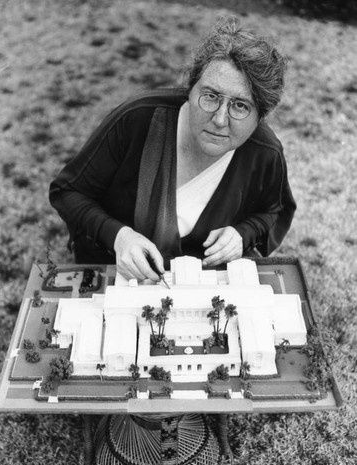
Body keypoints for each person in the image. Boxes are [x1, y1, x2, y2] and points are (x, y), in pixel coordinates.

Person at [49, 16, 296, 281]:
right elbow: (68, 191)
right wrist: (119, 236)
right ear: (190, 90)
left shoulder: (264, 152)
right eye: (211, 96)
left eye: (240, 105)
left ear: (261, 114)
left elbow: (274, 209)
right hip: (116, 272)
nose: (220, 119)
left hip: (201, 283)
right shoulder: (136, 119)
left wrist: (243, 234)